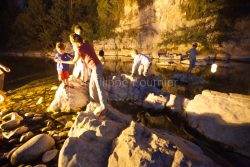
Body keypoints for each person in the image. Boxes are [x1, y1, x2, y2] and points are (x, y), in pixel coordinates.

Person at [59, 33, 106, 116]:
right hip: (97, 66)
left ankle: (104, 106)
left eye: (71, 42)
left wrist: (62, 61)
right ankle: (94, 103)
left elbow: (74, 61)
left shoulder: (79, 48)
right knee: (91, 86)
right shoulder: (86, 44)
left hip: (96, 67)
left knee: (99, 87)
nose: (71, 43)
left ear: (74, 41)